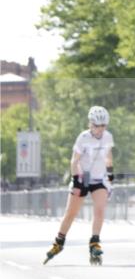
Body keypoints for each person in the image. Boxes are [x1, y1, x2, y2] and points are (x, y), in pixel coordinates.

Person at [44, 106, 115, 266]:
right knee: (71, 213)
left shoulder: (108, 137)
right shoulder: (83, 138)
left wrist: (110, 175)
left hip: (99, 179)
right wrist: (76, 180)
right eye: (97, 125)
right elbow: (74, 161)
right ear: (90, 124)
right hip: (82, 178)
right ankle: (59, 242)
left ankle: (94, 242)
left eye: (103, 125)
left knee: (100, 210)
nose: (100, 129)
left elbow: (108, 156)